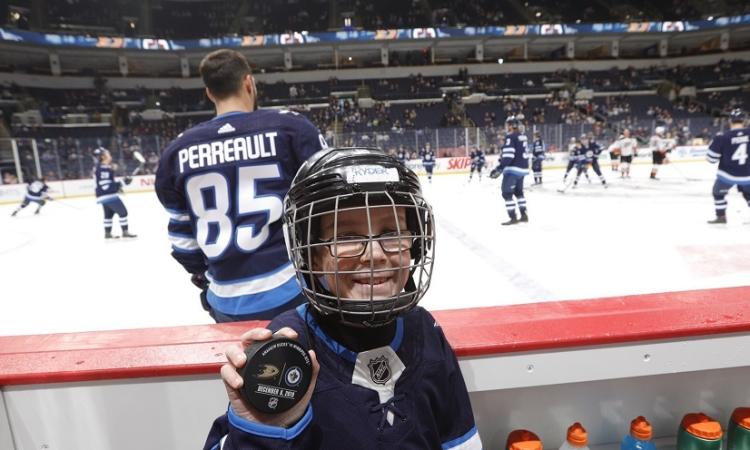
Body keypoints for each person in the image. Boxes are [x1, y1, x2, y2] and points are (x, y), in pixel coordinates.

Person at [204, 148, 482, 450]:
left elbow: (459, 440)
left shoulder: (425, 329)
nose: (375, 254)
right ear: (311, 253)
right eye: (347, 237)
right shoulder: (289, 345)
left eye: (391, 232)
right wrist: (261, 429)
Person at [155, 49, 327, 322]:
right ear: (249, 83)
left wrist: (204, 278)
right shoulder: (291, 128)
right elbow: (329, 207)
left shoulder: (176, 152)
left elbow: (182, 239)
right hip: (293, 291)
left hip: (225, 301)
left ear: (209, 93)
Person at [706, 108, 750, 224]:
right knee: (748, 193)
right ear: (744, 121)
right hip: (748, 175)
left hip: (727, 175)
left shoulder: (722, 136)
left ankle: (721, 217)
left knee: (718, 193)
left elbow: (711, 159)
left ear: (730, 121)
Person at [490, 116, 529, 225]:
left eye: (508, 125)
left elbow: (508, 156)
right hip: (523, 169)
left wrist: (500, 167)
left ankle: (513, 217)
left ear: (512, 125)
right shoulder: (523, 136)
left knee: (507, 193)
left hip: (513, 170)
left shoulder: (510, 137)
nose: (507, 127)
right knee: (519, 193)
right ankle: (524, 215)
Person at [93, 147, 137, 239]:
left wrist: (121, 183)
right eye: (108, 154)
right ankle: (125, 232)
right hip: (108, 196)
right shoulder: (102, 169)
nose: (110, 155)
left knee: (109, 215)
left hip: (103, 196)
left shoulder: (103, 168)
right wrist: (122, 183)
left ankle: (107, 233)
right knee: (123, 213)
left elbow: (108, 184)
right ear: (103, 157)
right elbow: (105, 186)